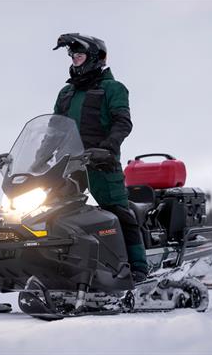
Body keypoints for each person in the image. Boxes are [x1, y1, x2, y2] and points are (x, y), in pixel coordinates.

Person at [53, 33, 148, 282]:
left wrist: (106, 148)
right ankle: (59, 267)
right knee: (52, 213)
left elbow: (122, 122)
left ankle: (138, 269)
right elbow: (54, 130)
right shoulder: (66, 93)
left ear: (96, 58)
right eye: (72, 56)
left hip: (101, 162)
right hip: (69, 166)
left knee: (118, 211)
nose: (75, 60)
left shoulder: (113, 88)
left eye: (80, 55)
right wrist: (39, 157)